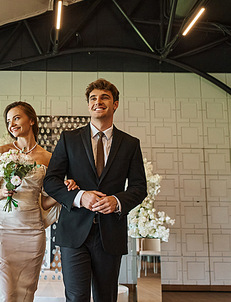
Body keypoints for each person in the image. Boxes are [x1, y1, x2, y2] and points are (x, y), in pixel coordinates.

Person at [44, 78, 147, 302]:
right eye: (93, 98)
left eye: (104, 97)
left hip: (110, 233)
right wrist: (80, 196)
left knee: (106, 298)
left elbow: (140, 188)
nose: (97, 102)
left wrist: (117, 201)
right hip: (74, 232)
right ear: (88, 104)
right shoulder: (69, 139)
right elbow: (51, 181)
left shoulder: (130, 144)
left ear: (115, 104)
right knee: (76, 297)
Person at [0, 101, 77, 302]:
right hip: (1, 230)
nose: (11, 124)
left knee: (25, 295)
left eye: (16, 118)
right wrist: (3, 192)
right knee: (4, 295)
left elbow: (45, 202)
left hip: (32, 232)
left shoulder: (48, 157)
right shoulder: (2, 152)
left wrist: (64, 191)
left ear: (31, 120)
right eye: (8, 121)